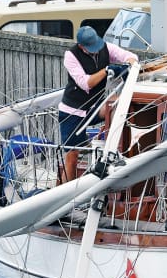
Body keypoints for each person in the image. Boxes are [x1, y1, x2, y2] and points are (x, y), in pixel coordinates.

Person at [58, 26, 138, 183]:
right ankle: (61, 196)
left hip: (93, 108)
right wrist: (106, 70)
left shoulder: (106, 47)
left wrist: (129, 64)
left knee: (116, 103)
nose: (96, 51)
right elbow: (85, 83)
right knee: (72, 157)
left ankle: (114, 146)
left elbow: (130, 56)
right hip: (72, 112)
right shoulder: (70, 56)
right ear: (81, 46)